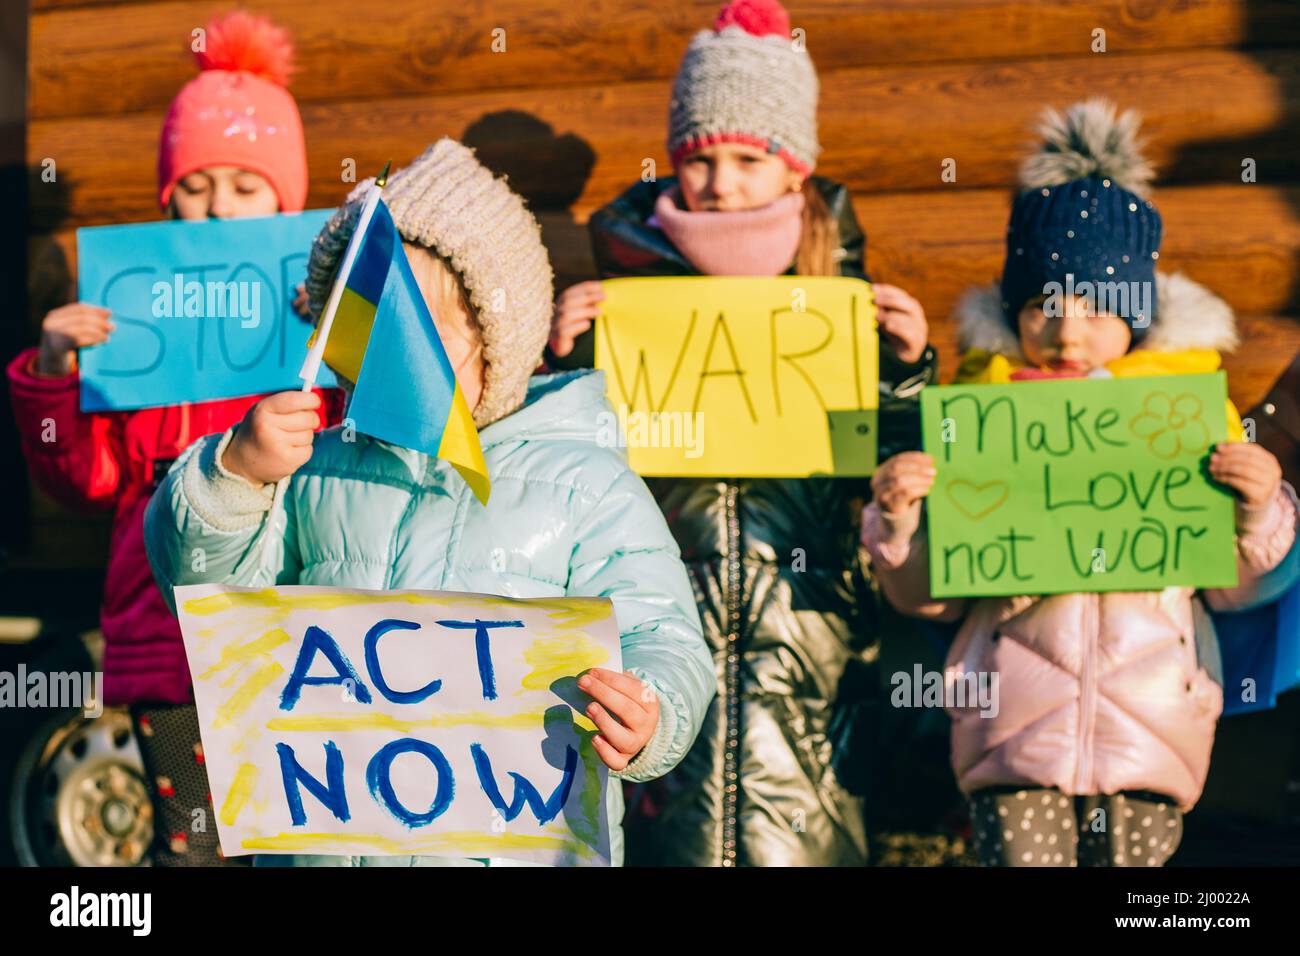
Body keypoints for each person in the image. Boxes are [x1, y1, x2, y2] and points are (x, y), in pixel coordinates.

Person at [143, 138, 716, 867]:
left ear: (498, 340)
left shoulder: (587, 485)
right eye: (373, 329)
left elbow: (664, 634)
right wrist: (235, 477)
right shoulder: (310, 470)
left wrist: (649, 711)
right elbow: (208, 594)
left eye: (423, 331)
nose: (395, 354)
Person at [547, 0, 936, 866]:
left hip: (809, 641)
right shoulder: (619, 299)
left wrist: (905, 376)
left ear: (795, 172)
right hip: (657, 632)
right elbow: (560, 477)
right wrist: (561, 360)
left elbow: (896, 478)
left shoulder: (848, 302)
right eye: (700, 160)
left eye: (751, 160)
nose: (722, 183)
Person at [862, 100, 1300, 866]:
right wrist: (898, 524)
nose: (1068, 331)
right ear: (1013, 311)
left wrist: (1259, 508)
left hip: (1154, 731)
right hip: (1008, 736)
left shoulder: (1190, 417)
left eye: (1099, 307)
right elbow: (930, 596)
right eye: (1044, 304)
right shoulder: (978, 416)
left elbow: (1238, 586)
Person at [7, 10, 343, 865]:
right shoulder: (134, 332)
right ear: (167, 197)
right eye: (195, 185)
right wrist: (54, 377)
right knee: (191, 847)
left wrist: (343, 340)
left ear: (284, 201)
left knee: (299, 842)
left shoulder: (324, 328)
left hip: (294, 641)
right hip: (168, 649)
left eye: (243, 184)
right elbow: (79, 483)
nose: (216, 208)